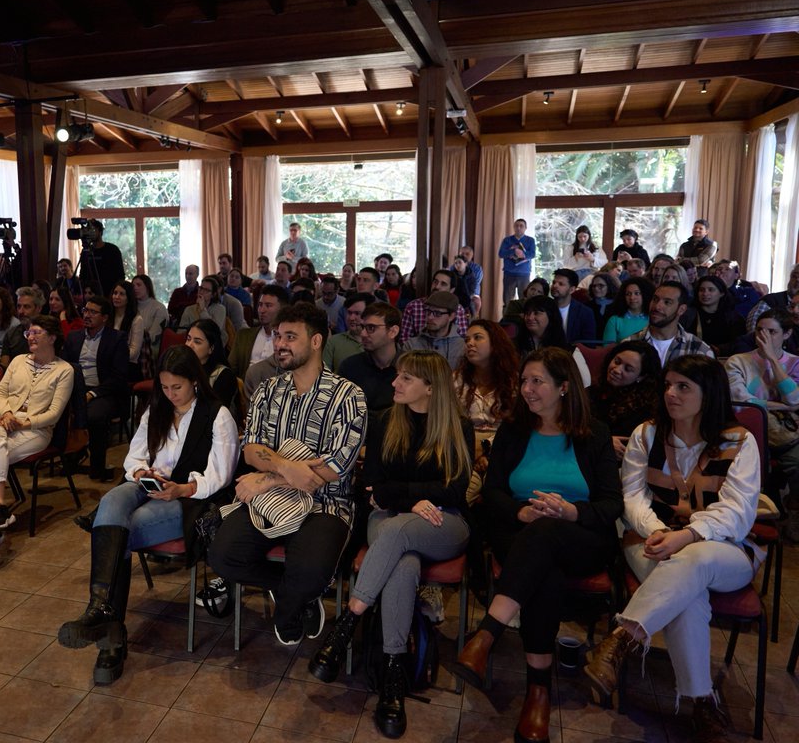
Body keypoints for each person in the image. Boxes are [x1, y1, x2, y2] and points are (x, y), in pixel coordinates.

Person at [447, 348, 623, 743]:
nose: (526, 389)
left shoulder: (594, 433)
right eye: (524, 380)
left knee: (546, 535)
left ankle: (487, 634)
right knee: (544, 566)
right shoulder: (514, 430)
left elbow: (612, 504)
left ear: (564, 387)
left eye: (537, 381)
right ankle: (538, 692)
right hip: (522, 533)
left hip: (582, 537)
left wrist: (569, 512)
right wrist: (520, 512)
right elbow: (492, 493)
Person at [583, 356, 758, 740]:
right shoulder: (647, 435)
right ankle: (701, 703)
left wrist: (688, 535)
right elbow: (632, 498)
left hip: (723, 549)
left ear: (708, 394)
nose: (670, 394)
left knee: (694, 560)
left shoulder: (740, 442)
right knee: (688, 594)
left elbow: (738, 513)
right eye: (667, 385)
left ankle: (622, 637)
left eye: (683, 387)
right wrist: (660, 531)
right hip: (651, 540)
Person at [308, 351, 473, 737]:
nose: (395, 383)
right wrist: (410, 499)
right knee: (403, 563)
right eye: (397, 375)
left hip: (445, 521)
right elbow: (373, 486)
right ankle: (393, 678)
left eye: (406, 379)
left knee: (398, 532)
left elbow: (456, 488)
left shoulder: (457, 426)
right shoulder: (384, 420)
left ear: (430, 388)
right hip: (391, 517)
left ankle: (348, 622)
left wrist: (406, 497)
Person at [59, 346, 238, 684]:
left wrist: (183, 488)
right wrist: (142, 472)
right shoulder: (156, 409)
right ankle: (103, 612)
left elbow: (220, 476)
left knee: (117, 531)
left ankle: (110, 636)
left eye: (177, 388)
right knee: (112, 502)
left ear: (195, 383)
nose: (170, 395)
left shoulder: (217, 414)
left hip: (189, 498)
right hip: (150, 486)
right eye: (165, 387)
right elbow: (133, 457)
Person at [208, 302, 367, 645]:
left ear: (315, 342)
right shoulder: (267, 391)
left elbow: (332, 469)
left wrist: (268, 476)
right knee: (222, 556)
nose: (279, 344)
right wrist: (285, 468)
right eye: (279, 336)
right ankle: (292, 594)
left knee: (310, 570)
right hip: (270, 500)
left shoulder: (349, 396)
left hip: (326, 503)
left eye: (290, 337)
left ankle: (292, 603)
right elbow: (251, 450)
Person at [0, 315, 74, 554]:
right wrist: (5, 413)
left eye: (36, 333)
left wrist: (23, 423)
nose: (30, 337)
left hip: (35, 430)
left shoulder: (64, 370)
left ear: (52, 338)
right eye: (29, 333)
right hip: (3, 421)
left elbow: (54, 414)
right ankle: (0, 508)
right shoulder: (17, 361)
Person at [64, 297, 128, 482]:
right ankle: (70, 455)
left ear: (105, 317)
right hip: (76, 389)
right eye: (85, 310)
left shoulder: (116, 338)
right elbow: (64, 366)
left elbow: (118, 376)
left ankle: (97, 466)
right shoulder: (74, 337)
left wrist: (92, 394)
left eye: (93, 312)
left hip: (104, 391)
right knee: (57, 410)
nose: (87, 315)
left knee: (94, 416)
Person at [455, 319, 521, 452]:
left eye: (477, 338)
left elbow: (518, 427)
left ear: (495, 343)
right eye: (467, 340)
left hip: (503, 447)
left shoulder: (514, 381)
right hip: (463, 448)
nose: (470, 343)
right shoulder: (456, 380)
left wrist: (487, 448)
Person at [587, 340, 661, 455]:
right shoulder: (590, 393)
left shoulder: (645, 410)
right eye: (616, 361)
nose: (616, 370)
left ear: (641, 377)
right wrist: (604, 442)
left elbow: (626, 449)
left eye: (628, 369)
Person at [626, 282, 714, 365]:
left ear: (681, 310)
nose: (657, 306)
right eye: (655, 299)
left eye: (667, 302)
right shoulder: (629, 344)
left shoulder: (698, 350)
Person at [339, 302, 402, 414]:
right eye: (363, 327)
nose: (363, 334)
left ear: (393, 332)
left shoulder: (409, 369)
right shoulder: (350, 367)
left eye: (371, 328)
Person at [230, 285, 289, 378]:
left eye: (268, 306)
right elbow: (231, 370)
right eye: (260, 305)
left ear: (282, 309)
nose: (262, 310)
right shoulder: (243, 336)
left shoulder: (288, 342)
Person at [398, 270, 471, 344]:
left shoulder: (458, 309)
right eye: (435, 282)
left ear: (451, 290)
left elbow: (463, 339)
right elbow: (404, 341)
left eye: (443, 284)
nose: (437, 287)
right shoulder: (413, 307)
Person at [402, 291, 466, 369]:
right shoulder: (411, 346)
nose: (430, 317)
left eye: (437, 313)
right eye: (428, 312)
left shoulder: (462, 348)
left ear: (451, 316)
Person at [185, 318, 237, 411]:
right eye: (188, 339)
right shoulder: (182, 367)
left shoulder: (223, 375)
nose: (189, 345)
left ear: (211, 348)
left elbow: (216, 413)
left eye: (197, 342)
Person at [692, 275, 744, 355]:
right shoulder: (689, 315)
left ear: (721, 293)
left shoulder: (733, 318)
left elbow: (738, 343)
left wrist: (719, 349)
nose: (705, 293)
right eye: (702, 290)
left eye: (711, 290)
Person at [323, 292, 368, 372]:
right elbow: (324, 373)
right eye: (349, 313)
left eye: (357, 313)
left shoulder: (377, 342)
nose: (351, 318)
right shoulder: (334, 342)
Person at [78, 220, 126, 297]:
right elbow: (83, 274)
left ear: (100, 231)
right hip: (90, 294)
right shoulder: (86, 251)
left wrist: (115, 293)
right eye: (87, 230)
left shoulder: (112, 250)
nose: (90, 233)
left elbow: (120, 275)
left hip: (109, 293)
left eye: (92, 230)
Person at [549, 269, 596, 344]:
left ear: (572, 290)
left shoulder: (585, 312)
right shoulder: (544, 308)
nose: (555, 286)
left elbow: (589, 344)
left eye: (561, 284)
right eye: (554, 282)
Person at [109, 280, 148, 370]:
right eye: (115, 293)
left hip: (128, 365)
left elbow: (134, 351)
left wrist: (113, 356)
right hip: (110, 362)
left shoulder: (137, 320)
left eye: (122, 294)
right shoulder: (109, 316)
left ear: (129, 298)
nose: (117, 297)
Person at [602, 276, 653, 343]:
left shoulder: (653, 319)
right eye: (628, 294)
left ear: (645, 295)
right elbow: (607, 349)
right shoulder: (614, 320)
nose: (632, 297)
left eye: (637, 293)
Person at [179, 276, 228, 344]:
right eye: (201, 288)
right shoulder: (189, 309)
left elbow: (214, 330)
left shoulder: (220, 309)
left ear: (213, 294)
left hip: (214, 345)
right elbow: (181, 332)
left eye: (206, 290)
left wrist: (202, 310)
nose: (201, 292)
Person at [499, 219, 536, 302]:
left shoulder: (530, 240)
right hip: (509, 274)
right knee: (507, 300)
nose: (518, 228)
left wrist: (522, 254)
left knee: (524, 300)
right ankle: (507, 315)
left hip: (524, 274)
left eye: (521, 226)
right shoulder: (507, 240)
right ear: (514, 227)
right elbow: (501, 254)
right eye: (516, 226)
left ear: (525, 228)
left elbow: (532, 254)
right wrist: (513, 251)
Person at [459, 246, 484, 316]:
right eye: (462, 253)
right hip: (457, 293)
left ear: (471, 256)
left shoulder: (477, 268)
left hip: (472, 295)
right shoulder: (454, 267)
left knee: (475, 302)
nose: (464, 255)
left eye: (467, 254)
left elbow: (474, 284)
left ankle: (472, 321)